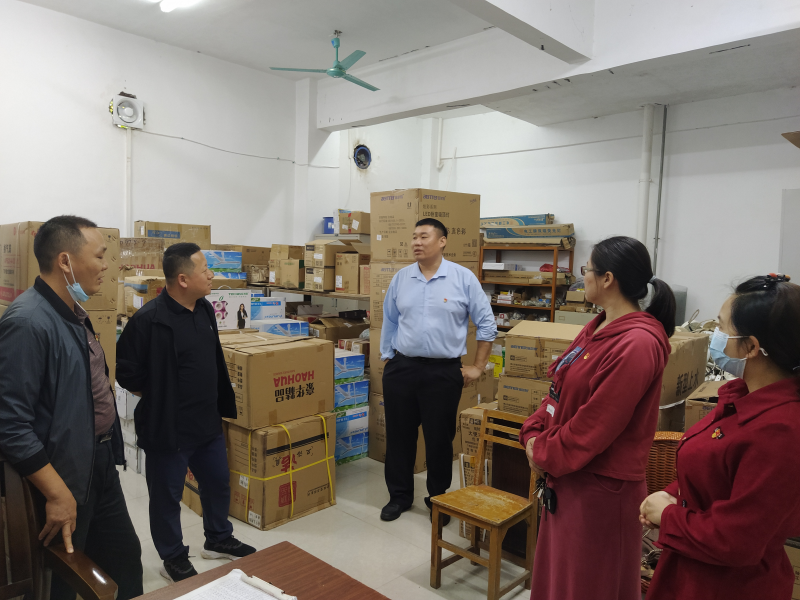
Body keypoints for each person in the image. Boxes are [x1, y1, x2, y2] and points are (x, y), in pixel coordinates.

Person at [519, 236, 675, 600]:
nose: (583, 277)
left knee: (589, 585)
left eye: (587, 269)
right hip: (567, 479)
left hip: (599, 493)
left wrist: (541, 451)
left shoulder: (637, 343)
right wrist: (532, 432)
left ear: (607, 279)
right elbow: (558, 389)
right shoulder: (598, 326)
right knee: (560, 582)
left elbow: (594, 426)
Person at [0, 216, 143, 600]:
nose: (106, 266)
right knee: (62, 580)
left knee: (124, 562)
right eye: (99, 256)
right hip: (61, 475)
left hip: (97, 465)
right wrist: (58, 494)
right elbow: (10, 424)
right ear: (65, 261)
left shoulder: (72, 311)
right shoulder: (28, 322)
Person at [641, 274, 800, 600]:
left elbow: (738, 538)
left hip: (727, 586)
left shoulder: (781, 430)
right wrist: (672, 495)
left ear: (752, 347)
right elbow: (712, 471)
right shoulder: (740, 396)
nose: (714, 335)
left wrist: (670, 517)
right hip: (690, 568)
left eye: (721, 328)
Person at [116, 242, 255, 583]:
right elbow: (126, 373)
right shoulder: (149, 320)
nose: (211, 275)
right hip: (169, 428)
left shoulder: (204, 308)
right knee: (167, 498)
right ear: (182, 279)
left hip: (207, 422)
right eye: (205, 270)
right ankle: (173, 556)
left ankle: (218, 538)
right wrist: (160, 394)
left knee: (218, 484)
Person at [379, 218, 497, 523]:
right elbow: (390, 319)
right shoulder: (402, 278)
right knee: (399, 437)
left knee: (439, 439)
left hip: (443, 372)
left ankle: (438, 498)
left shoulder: (462, 278)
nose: (416, 242)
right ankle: (399, 496)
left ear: (442, 241)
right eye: (414, 237)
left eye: (424, 236)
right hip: (402, 368)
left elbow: (487, 324)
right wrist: (388, 356)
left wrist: (478, 366)